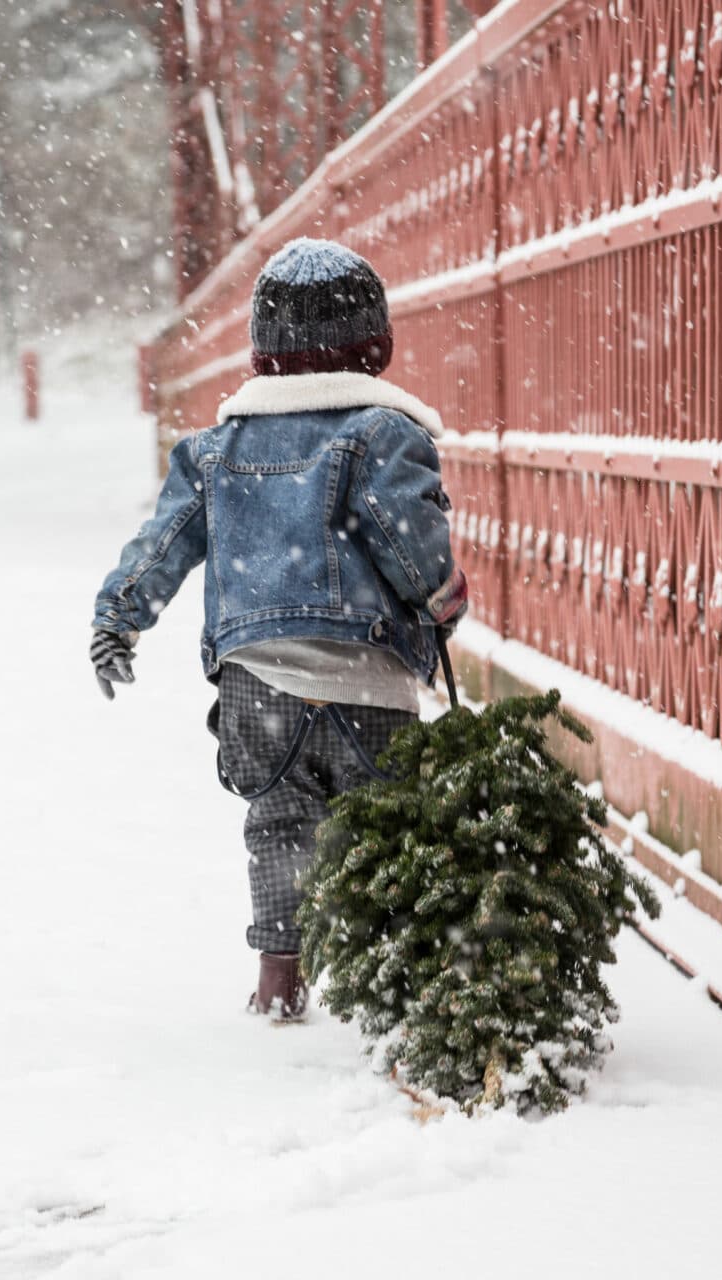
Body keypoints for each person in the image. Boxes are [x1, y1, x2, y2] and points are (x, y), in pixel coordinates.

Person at [90, 237, 467, 1021]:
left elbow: (163, 543)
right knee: (383, 832)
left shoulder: (214, 452)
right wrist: (440, 599)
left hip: (257, 686)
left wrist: (118, 617)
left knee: (280, 826)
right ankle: (385, 983)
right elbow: (409, 545)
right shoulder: (382, 436)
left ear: (261, 357)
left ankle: (280, 978)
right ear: (376, 346)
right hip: (367, 680)